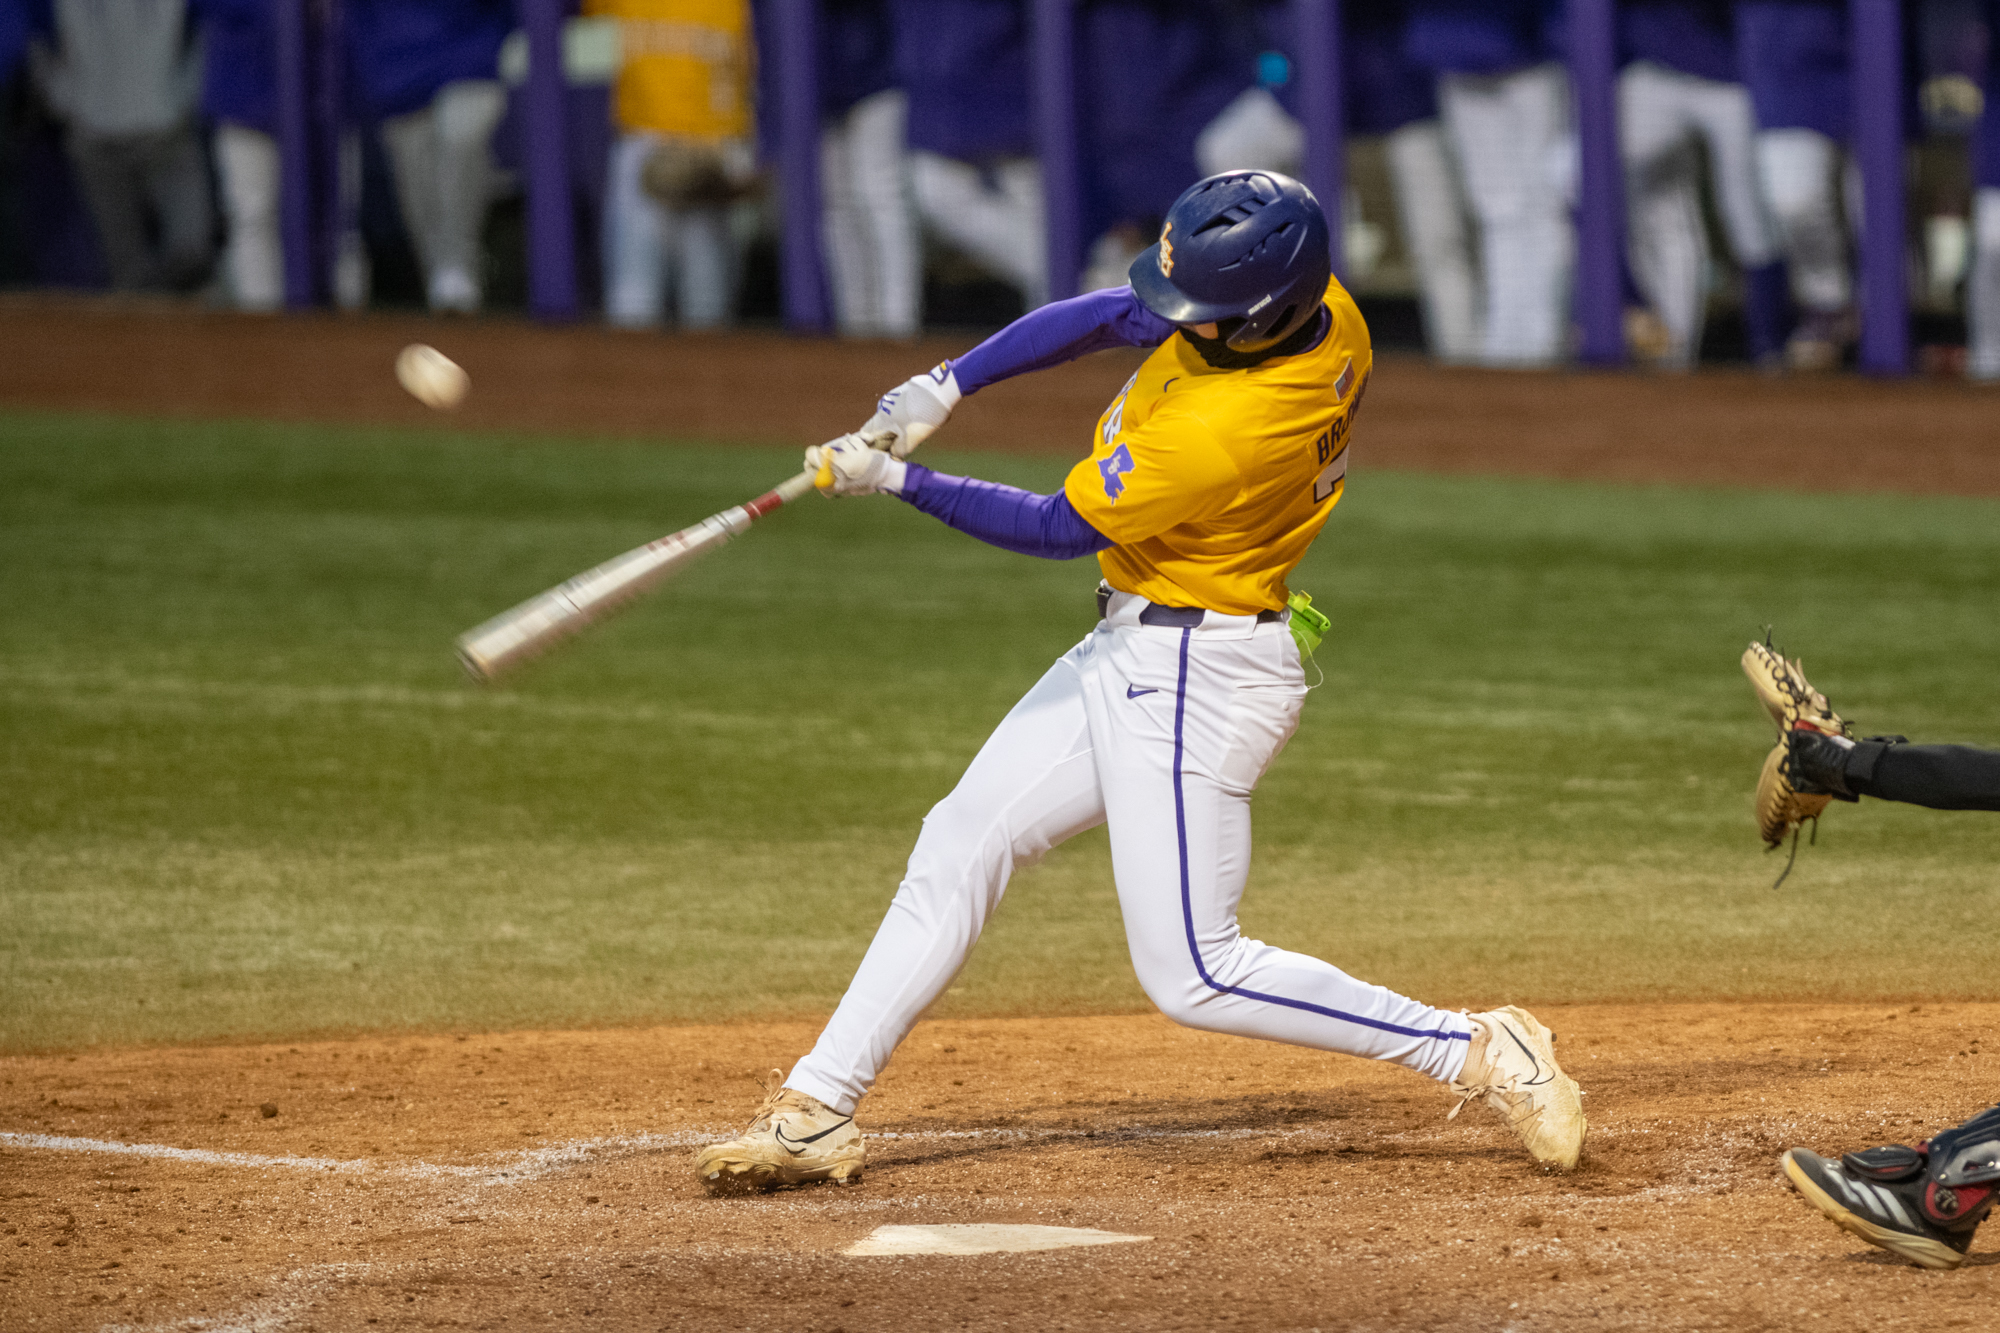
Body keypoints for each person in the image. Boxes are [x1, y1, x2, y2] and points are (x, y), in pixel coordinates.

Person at [691, 170, 1588, 1195]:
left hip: (1194, 678)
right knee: (962, 836)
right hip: (1138, 647)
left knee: (1195, 973)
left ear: (1255, 319)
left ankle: (1477, 1046)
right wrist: (948, 384)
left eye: (1200, 312)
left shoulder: (1228, 431)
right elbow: (1116, 312)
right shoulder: (1318, 306)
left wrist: (892, 477)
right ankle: (816, 1106)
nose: (1172, 321)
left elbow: (1053, 527)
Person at [1617, 0, 1786, 369]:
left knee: (1747, 211)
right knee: (1580, 180)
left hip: (1733, 72)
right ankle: (1649, 324)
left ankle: (1770, 346)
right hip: (1651, 69)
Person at [1404, 0, 1573, 368]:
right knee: (1496, 207)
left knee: (1542, 206)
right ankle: (1508, 341)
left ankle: (1541, 339)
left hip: (1534, 57)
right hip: (1459, 55)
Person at [29, 0, 214, 292]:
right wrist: (70, 103)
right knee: (128, 270)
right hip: (96, 140)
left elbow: (207, 31)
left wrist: (180, 101)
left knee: (191, 251)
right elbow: (37, 41)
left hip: (165, 134)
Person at [597, 0, 756, 330]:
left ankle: (713, 379)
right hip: (643, 143)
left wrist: (740, 155)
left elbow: (755, 66)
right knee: (633, 294)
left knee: (708, 297)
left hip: (713, 147)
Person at [347, 0, 511, 313]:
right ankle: (443, 289)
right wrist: (371, 63)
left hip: (471, 56)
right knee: (417, 185)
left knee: (460, 137)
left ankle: (458, 273)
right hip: (397, 65)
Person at [892, 0, 1045, 310]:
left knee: (1037, 205)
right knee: (932, 188)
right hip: (945, 81)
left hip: (1015, 71)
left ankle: (1086, 299)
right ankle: (1092, 287)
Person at [192, 0, 281, 311]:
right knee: (250, 217)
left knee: (336, 221)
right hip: (244, 94)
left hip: (325, 97)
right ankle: (260, 331)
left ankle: (342, 332)